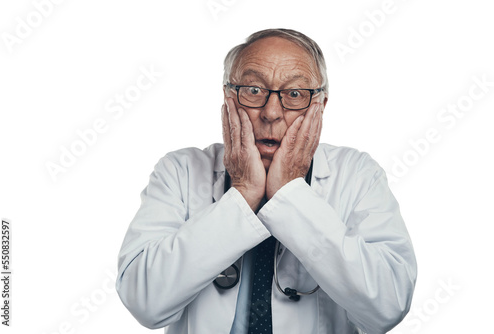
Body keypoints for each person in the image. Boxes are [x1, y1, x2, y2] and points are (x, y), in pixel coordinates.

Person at [116, 28, 417, 334]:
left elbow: (387, 307)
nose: (271, 112)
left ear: (320, 106)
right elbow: (145, 303)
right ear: (228, 96)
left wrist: (290, 195)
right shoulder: (180, 171)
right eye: (254, 90)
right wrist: (244, 193)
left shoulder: (358, 175)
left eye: (295, 94)